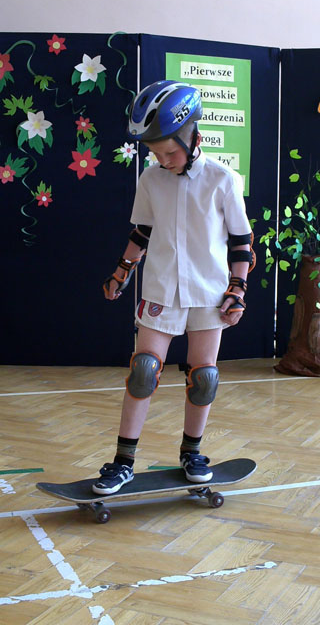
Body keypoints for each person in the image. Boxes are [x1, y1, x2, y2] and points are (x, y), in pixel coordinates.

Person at [92, 80, 255, 495]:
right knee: (143, 371)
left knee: (204, 377)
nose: (162, 160)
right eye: (155, 153)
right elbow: (143, 232)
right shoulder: (151, 179)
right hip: (161, 289)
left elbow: (241, 242)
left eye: (169, 152)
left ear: (193, 136)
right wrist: (121, 272)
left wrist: (237, 289)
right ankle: (123, 462)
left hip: (209, 293)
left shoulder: (223, 179)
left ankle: (192, 452)